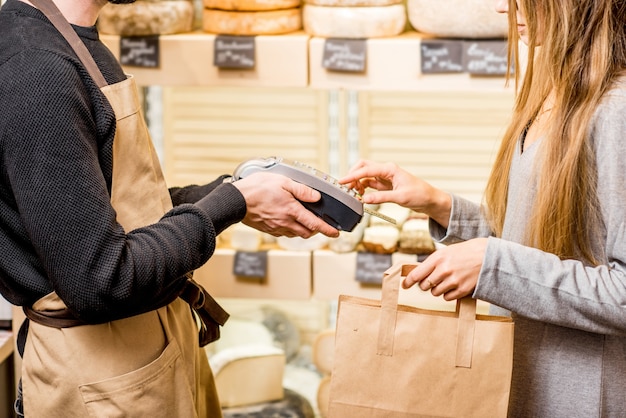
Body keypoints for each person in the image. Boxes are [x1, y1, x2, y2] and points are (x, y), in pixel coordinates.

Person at [0, 0, 339, 416]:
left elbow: (120, 212)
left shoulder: (77, 44)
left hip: (147, 353)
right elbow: (101, 278)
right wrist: (231, 205)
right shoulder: (37, 68)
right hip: (100, 383)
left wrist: (230, 193)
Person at [340, 0, 626, 416]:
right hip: (527, 380)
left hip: (582, 396)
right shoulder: (556, 94)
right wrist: (439, 205)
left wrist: (492, 265)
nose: (501, 8)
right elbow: (539, 242)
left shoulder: (617, 111)